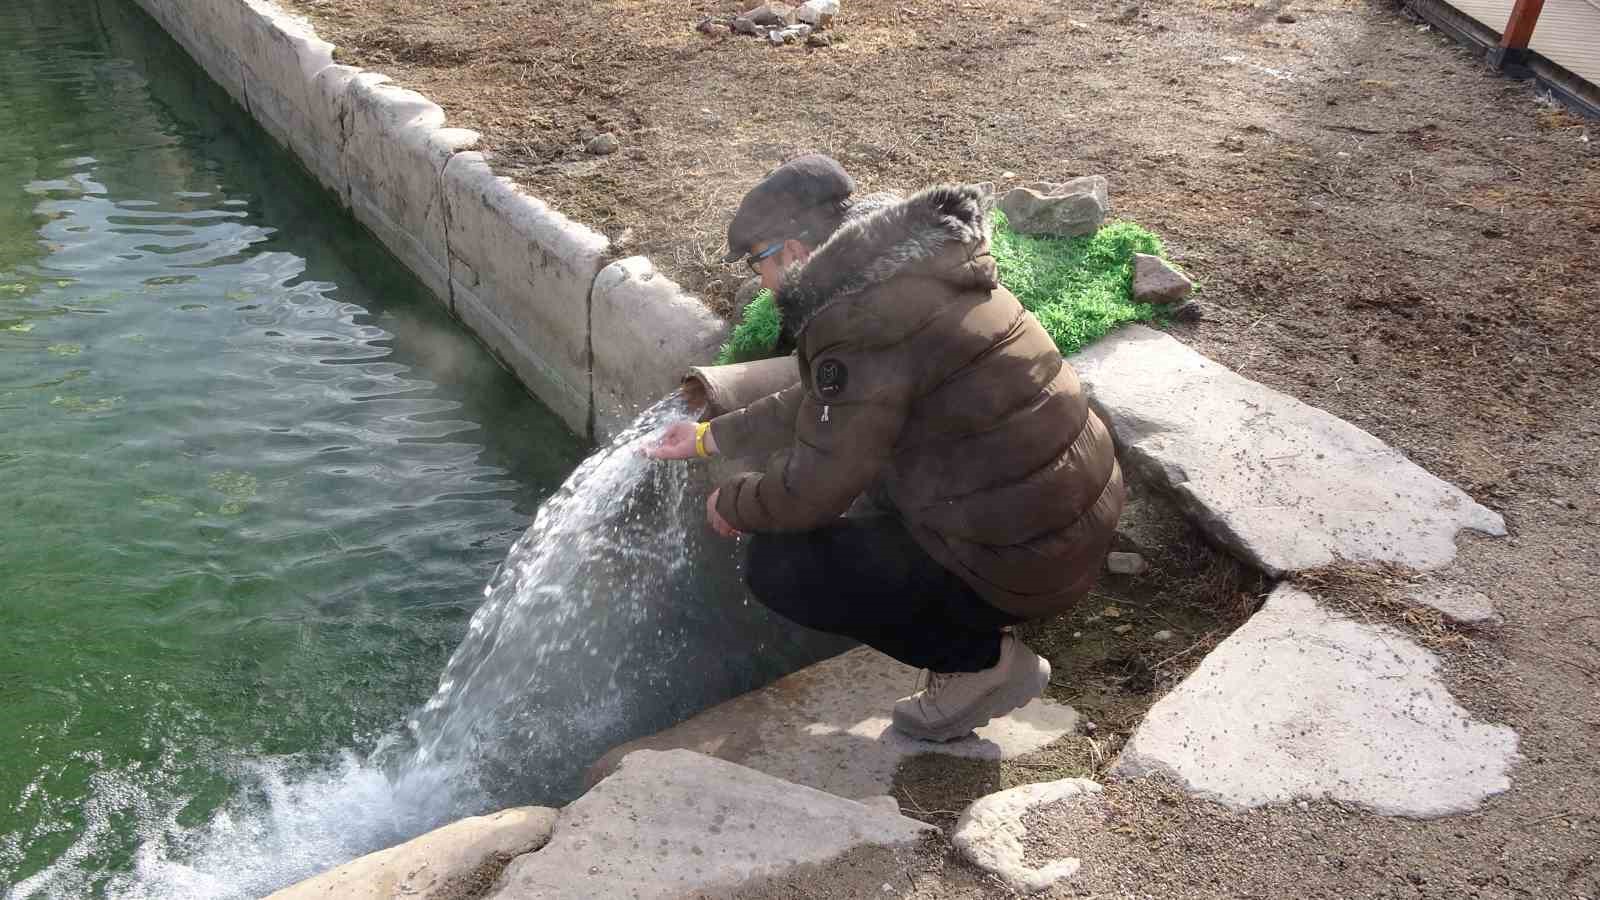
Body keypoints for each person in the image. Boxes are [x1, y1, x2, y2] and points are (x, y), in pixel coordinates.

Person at [648, 156, 1124, 742]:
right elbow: (830, 399)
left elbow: (813, 490)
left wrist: (736, 501)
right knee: (865, 499)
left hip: (1027, 557)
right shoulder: (908, 273)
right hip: (1068, 520)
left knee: (781, 566)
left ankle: (981, 663)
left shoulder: (857, 320)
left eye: (757, 262)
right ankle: (973, 626)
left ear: (792, 253)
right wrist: (708, 436)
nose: (760, 280)